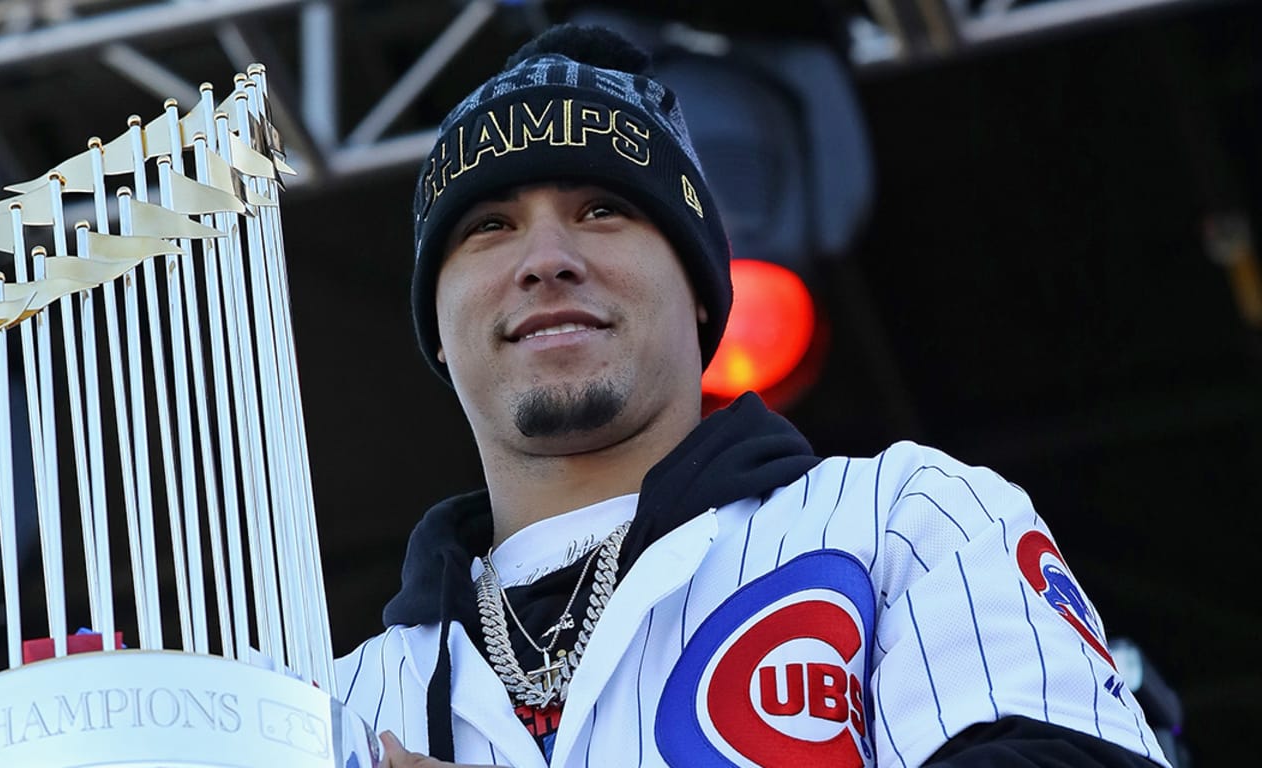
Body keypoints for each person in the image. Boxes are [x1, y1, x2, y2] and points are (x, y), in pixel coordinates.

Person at [336, 24, 1169, 768]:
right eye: (489, 225)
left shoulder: (908, 519)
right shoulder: (330, 707)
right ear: (436, 326)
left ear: (702, 289)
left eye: (602, 209)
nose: (546, 257)